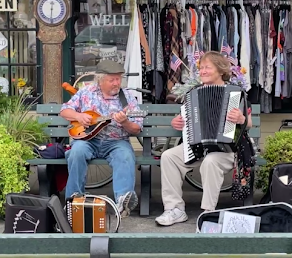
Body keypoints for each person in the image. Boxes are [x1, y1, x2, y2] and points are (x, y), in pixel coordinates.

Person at [155, 51, 252, 227]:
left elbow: (249, 123)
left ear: (221, 70)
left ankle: (209, 212)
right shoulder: (193, 93)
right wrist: (177, 122)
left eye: (208, 67)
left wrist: (241, 119)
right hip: (198, 147)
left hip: (228, 149)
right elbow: (185, 118)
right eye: (201, 68)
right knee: (168, 157)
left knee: (210, 161)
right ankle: (174, 209)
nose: (202, 71)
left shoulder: (236, 93)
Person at [60, 60, 143, 216]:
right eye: (112, 79)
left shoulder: (127, 97)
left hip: (116, 141)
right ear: (100, 80)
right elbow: (64, 110)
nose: (116, 83)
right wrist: (79, 115)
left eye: (118, 78)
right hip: (88, 140)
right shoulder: (86, 93)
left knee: (125, 155)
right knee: (76, 152)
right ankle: (73, 201)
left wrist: (125, 122)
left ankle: (123, 202)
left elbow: (137, 128)